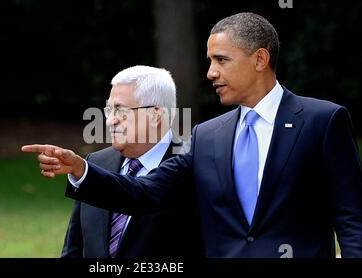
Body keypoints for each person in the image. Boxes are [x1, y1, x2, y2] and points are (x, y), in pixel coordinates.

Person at [23, 13, 362, 258]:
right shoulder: (207, 135)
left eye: (222, 60)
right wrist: (83, 170)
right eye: (209, 60)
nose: (211, 72)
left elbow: (351, 219)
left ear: (260, 59)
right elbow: (144, 193)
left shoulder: (323, 120)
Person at [34, 65, 201, 258]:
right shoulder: (94, 164)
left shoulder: (193, 165)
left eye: (120, 110)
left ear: (155, 115)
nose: (110, 121)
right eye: (109, 110)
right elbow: (74, 249)